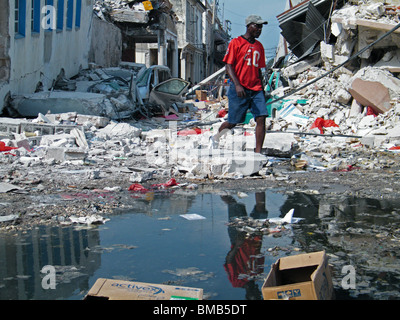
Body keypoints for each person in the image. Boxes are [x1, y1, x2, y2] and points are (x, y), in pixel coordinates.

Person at [210, 15, 269, 154]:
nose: (260, 30)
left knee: (261, 118)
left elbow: (259, 69)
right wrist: (237, 85)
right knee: (233, 121)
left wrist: (262, 88)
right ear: (249, 26)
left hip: (256, 89)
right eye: (257, 26)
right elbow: (228, 66)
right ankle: (216, 137)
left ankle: (258, 152)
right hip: (240, 88)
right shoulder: (236, 43)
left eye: (261, 27)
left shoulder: (259, 46)